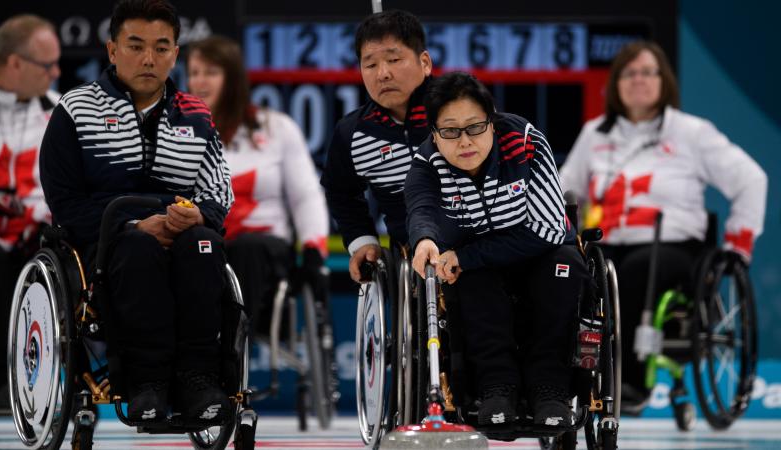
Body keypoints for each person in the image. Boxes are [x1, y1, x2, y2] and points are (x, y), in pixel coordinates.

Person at [39, 0, 234, 423]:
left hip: (182, 235)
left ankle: (199, 378)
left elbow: (219, 187)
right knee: (138, 248)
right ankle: (148, 383)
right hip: (106, 246)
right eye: (136, 46)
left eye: (162, 48)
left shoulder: (197, 115)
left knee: (204, 245)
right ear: (112, 51)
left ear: (175, 54)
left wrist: (199, 215)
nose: (149, 58)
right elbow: (64, 201)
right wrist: (131, 224)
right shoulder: (75, 109)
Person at [559, 41, 767, 413]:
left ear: (664, 80)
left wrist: (738, 248)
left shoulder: (692, 132)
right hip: (607, 245)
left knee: (633, 272)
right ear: (616, 83)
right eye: (629, 72)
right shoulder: (596, 134)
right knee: (569, 273)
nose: (638, 80)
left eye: (647, 72)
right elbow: (563, 190)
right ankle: (564, 380)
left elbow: (752, 179)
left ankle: (631, 382)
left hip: (672, 249)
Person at [406, 71, 586, 427]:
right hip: (480, 267)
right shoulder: (427, 162)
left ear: (492, 122)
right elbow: (421, 208)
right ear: (435, 134)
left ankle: (550, 388)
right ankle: (495, 387)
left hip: (542, 254)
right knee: (466, 277)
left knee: (565, 263)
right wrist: (425, 240)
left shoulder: (524, 141)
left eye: (475, 127)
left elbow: (549, 230)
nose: (464, 141)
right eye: (451, 131)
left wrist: (468, 255)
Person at [186, 35, 329, 331]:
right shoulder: (179, 133)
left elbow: (306, 196)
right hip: (206, 247)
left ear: (233, 79)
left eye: (211, 73)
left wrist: (314, 250)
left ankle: (231, 350)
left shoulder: (277, 128)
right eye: (194, 72)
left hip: (265, 253)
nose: (200, 82)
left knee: (246, 249)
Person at [0, 14, 60, 415]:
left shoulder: (61, 111)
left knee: (52, 251)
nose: (57, 72)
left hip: (33, 237)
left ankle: (33, 384)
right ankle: (1, 385)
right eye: (48, 66)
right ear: (14, 64)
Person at [320, 9, 432, 280]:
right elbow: (340, 193)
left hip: (473, 246)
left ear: (425, 63)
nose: (383, 73)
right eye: (370, 65)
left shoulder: (458, 110)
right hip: (408, 258)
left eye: (394, 59)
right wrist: (362, 240)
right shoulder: (352, 132)